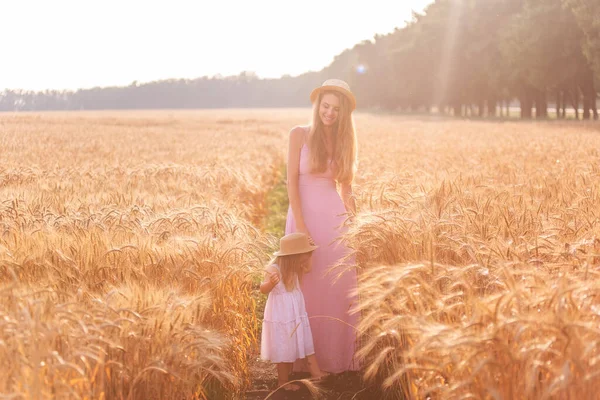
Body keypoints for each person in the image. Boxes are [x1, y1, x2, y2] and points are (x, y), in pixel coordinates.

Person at [285, 78, 360, 374]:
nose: (329, 113)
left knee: (336, 286)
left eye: (336, 109)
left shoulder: (344, 141)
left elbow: (347, 189)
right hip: (303, 216)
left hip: (334, 220)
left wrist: (356, 226)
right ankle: (305, 362)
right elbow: (291, 181)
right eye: (326, 106)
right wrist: (301, 227)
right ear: (318, 106)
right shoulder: (299, 134)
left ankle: (337, 360)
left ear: (344, 114)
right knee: (306, 286)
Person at [260, 232, 328, 392]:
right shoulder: (273, 269)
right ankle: (282, 382)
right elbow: (263, 289)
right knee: (284, 347)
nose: (304, 262)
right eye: (303, 257)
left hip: (296, 314)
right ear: (293, 257)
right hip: (281, 317)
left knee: (304, 342)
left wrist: (310, 251)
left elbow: (309, 268)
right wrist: (270, 283)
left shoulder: (295, 267)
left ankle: (316, 374)